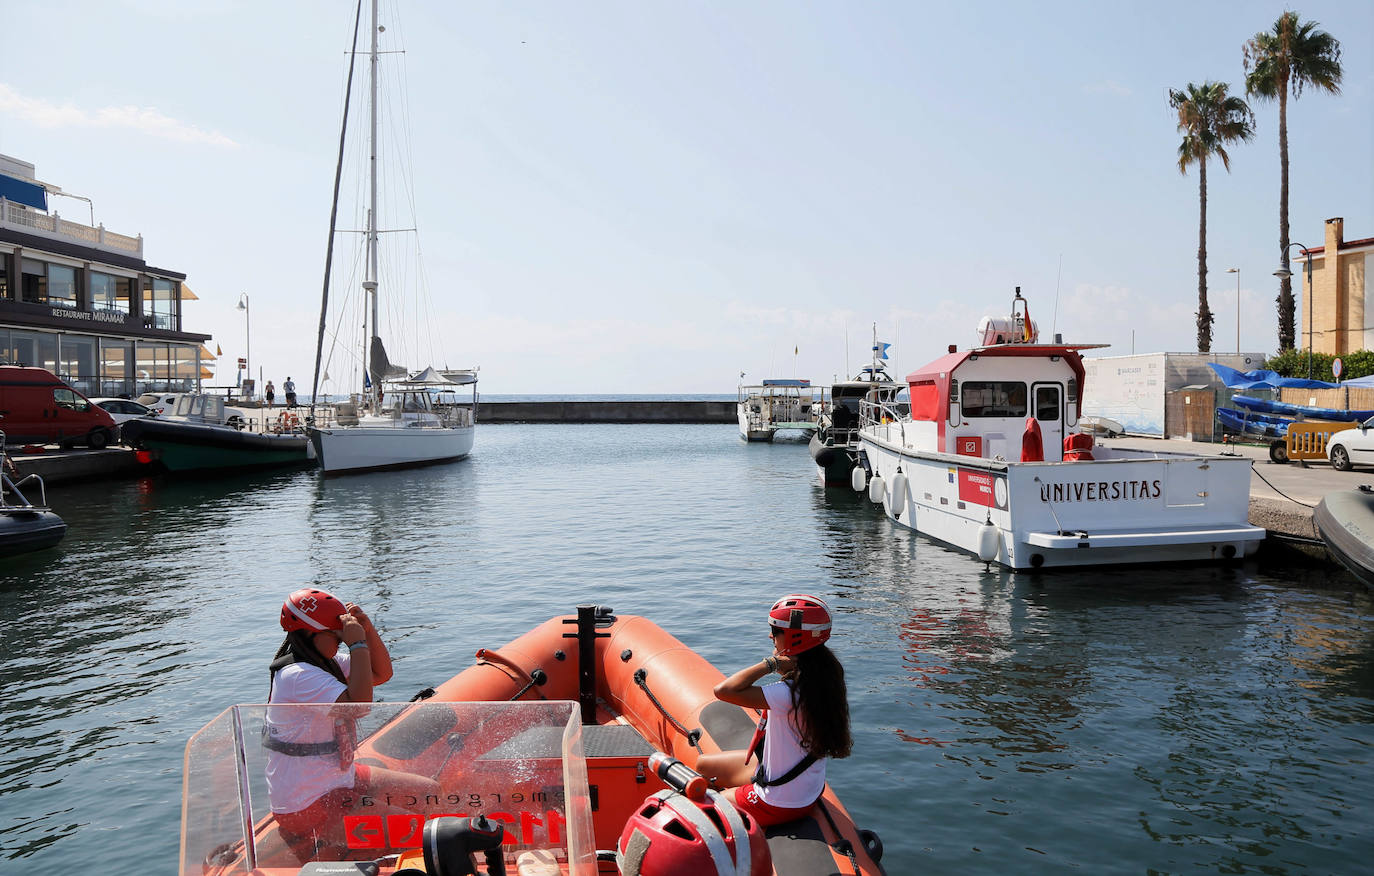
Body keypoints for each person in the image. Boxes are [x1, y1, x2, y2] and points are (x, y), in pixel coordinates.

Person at [264, 588, 439, 854]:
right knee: (418, 831)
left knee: (431, 792)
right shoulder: (297, 675)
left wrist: (367, 631)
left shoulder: (326, 662)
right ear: (311, 635)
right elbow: (359, 707)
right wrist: (355, 644)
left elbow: (380, 673)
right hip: (306, 800)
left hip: (338, 778)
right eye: (336, 634)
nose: (341, 639)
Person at [696, 594, 851, 828]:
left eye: (775, 631)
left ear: (794, 637)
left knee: (705, 807)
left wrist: (773, 663)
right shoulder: (826, 674)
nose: (771, 635)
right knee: (702, 766)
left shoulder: (788, 694)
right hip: (802, 786)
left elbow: (723, 690)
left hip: (779, 801)